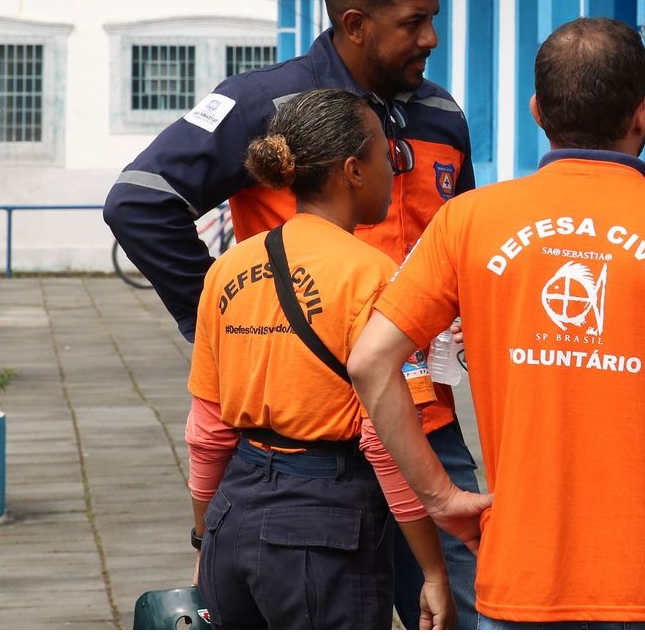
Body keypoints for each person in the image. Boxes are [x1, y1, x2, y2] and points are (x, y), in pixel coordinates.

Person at [101, 0, 481, 627]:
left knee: (473, 612)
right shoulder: (261, 105)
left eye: (434, 17)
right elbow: (139, 201)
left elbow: (456, 252)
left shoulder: (442, 114)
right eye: (412, 23)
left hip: (422, 421)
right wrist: (219, 326)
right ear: (355, 25)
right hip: (304, 440)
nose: (430, 38)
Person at [348, 17, 645, 629]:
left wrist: (441, 498)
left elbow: (369, 361)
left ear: (536, 110)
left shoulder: (468, 222)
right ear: (642, 114)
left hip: (522, 581)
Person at [186, 88, 454, 629]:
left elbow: (208, 430)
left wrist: (204, 537)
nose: (394, 169)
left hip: (231, 519)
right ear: (353, 170)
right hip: (323, 531)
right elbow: (386, 442)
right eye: (386, 156)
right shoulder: (376, 278)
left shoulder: (226, 269)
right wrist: (432, 570)